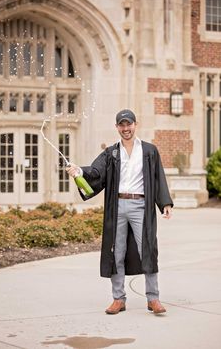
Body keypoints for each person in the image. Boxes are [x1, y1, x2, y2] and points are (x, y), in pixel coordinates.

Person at [66, 109, 173, 315]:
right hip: (118, 206)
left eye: (129, 124)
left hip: (141, 206)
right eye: (122, 125)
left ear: (135, 124)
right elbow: (96, 171)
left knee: (148, 250)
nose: (126, 129)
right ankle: (118, 299)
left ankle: (153, 299)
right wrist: (78, 171)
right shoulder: (111, 153)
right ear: (117, 127)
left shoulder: (149, 151)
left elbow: (159, 177)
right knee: (117, 252)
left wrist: (165, 203)